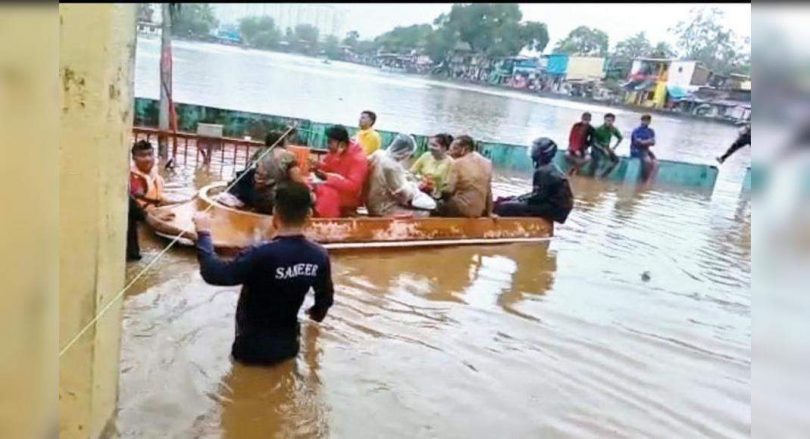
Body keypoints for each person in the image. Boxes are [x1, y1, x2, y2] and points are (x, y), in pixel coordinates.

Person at [192, 182, 334, 366]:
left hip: (250, 350)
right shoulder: (319, 255)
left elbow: (214, 273)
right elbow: (325, 300)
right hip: (289, 348)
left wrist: (203, 233)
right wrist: (314, 320)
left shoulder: (259, 253)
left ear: (275, 215)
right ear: (309, 216)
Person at [493, 138, 574, 223]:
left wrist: (517, 200)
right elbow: (538, 194)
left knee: (504, 207)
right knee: (511, 200)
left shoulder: (543, 171)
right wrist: (517, 198)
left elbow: (538, 197)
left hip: (554, 209)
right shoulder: (549, 167)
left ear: (543, 153)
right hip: (555, 206)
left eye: (535, 149)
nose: (532, 151)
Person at [226, 130, 304, 213]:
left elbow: (249, 167)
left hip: (254, 197)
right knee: (304, 195)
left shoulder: (260, 152)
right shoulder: (288, 155)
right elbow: (298, 182)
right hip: (275, 200)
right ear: (283, 141)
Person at [366, 133, 435, 217]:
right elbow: (403, 193)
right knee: (424, 213)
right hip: (383, 208)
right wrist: (415, 187)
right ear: (405, 153)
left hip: (370, 201)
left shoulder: (379, 154)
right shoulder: (393, 167)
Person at [128, 140, 173, 261]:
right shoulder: (133, 180)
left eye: (150, 154)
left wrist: (187, 201)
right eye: (142, 156)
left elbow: (158, 199)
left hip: (155, 218)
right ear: (134, 158)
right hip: (142, 226)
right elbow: (135, 209)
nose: (147, 159)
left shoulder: (155, 175)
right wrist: (155, 214)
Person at [311, 125, 369, 218]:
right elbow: (329, 167)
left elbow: (353, 186)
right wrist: (318, 166)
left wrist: (328, 177)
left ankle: (324, 222)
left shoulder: (358, 158)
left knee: (326, 194)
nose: (328, 145)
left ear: (341, 144)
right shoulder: (335, 151)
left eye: (330, 142)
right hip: (333, 187)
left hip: (347, 196)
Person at [436, 135, 494, 218]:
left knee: (436, 205)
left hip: (460, 209)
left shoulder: (458, 163)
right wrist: (490, 213)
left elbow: (448, 190)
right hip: (479, 210)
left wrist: (437, 192)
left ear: (464, 149)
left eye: (454, 148)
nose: (450, 152)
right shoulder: (487, 163)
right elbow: (489, 192)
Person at [410, 133, 454, 199]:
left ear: (444, 148)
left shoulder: (451, 163)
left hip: (438, 196)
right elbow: (412, 172)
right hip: (419, 191)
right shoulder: (426, 155)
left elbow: (449, 186)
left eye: (434, 145)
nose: (430, 147)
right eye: (430, 144)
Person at [591, 113, 623, 177]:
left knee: (616, 160)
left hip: (606, 147)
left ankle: (604, 175)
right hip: (597, 147)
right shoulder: (598, 129)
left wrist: (614, 148)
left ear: (613, 121)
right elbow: (594, 142)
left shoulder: (613, 129)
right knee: (599, 159)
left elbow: (620, 138)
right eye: (607, 120)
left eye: (611, 120)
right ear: (604, 120)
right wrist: (603, 149)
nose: (609, 122)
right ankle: (594, 175)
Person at [630, 114, 658, 182]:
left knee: (656, 163)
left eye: (648, 121)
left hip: (646, 150)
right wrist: (648, 141)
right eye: (645, 120)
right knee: (647, 161)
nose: (646, 122)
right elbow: (638, 142)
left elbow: (653, 143)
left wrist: (644, 141)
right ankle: (644, 179)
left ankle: (650, 180)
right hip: (636, 149)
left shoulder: (651, 131)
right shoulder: (636, 130)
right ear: (641, 121)